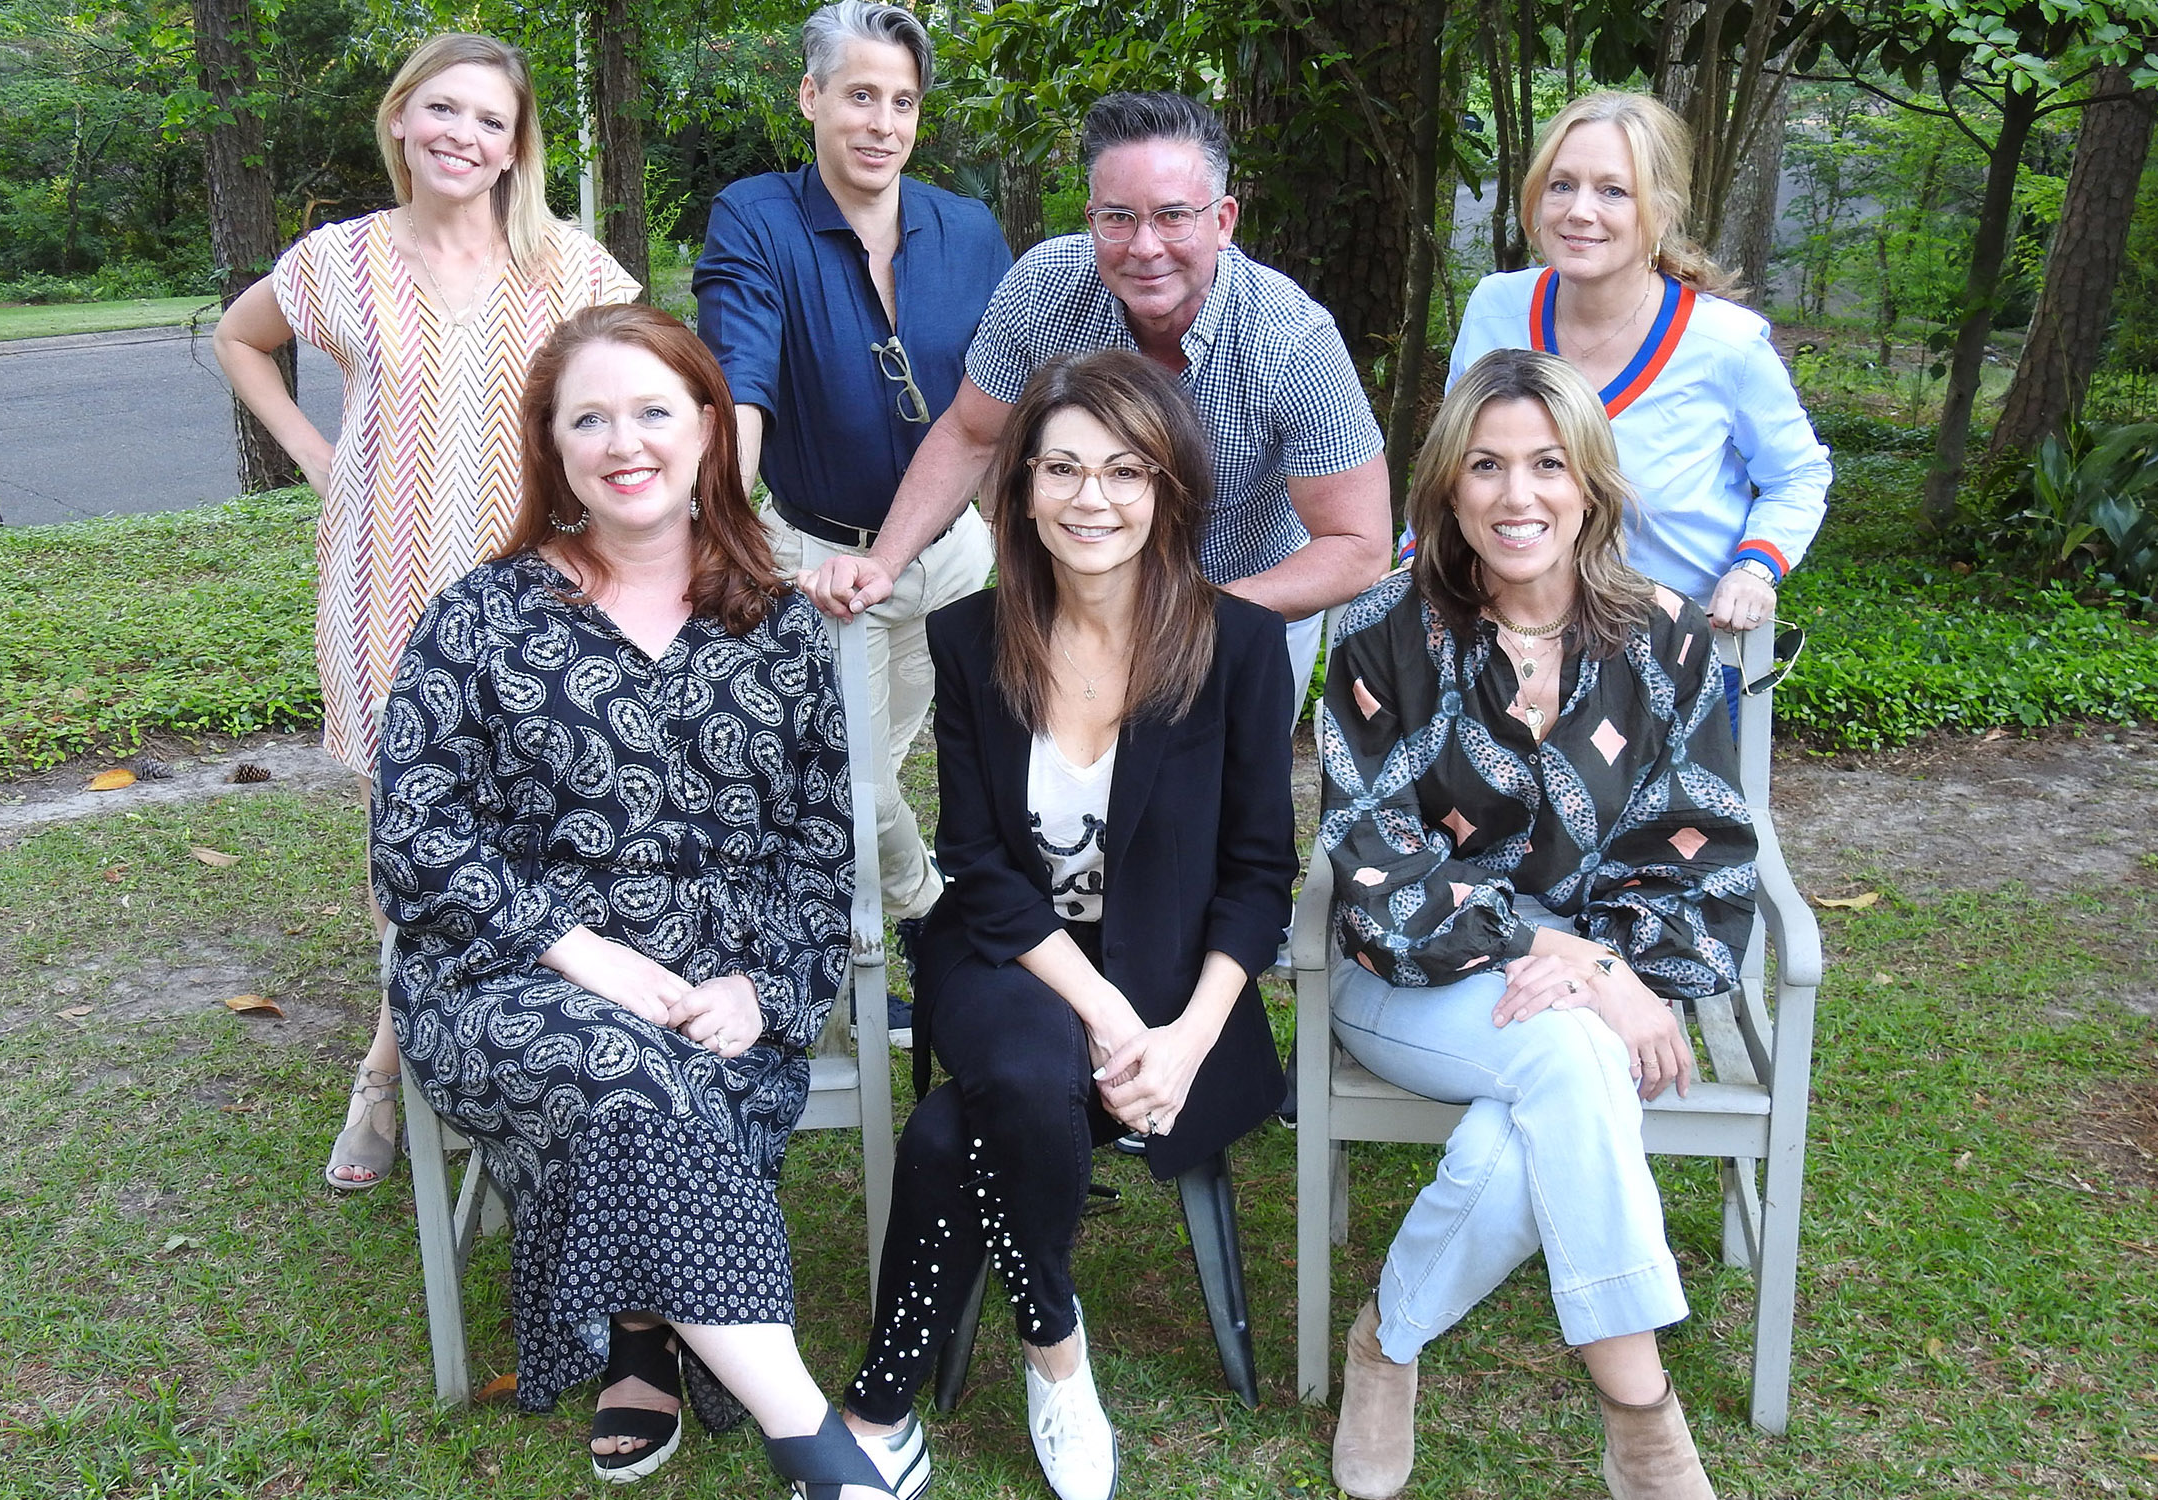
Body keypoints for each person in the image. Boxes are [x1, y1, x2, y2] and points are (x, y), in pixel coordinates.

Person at [372, 302, 892, 1498]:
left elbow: (820, 851)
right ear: (552, 446)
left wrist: (762, 992)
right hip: (509, 981)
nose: (625, 443)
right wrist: (583, 954)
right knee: (626, 1072)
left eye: (654, 411)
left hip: (719, 986)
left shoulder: (780, 626)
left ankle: (645, 1336)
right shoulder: (480, 616)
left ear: (709, 428)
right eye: (589, 419)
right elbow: (412, 838)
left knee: (662, 1078)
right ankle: (815, 1443)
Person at [833, 350, 1298, 1500]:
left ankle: (879, 1406)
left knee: (956, 1129)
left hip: (1177, 978)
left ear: (1169, 489)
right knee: (1028, 1070)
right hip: (1011, 950)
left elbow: (1258, 878)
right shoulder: (969, 638)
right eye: (1064, 470)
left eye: (1125, 471)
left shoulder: (1239, 646)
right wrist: (1104, 1017)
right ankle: (1055, 1348)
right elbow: (980, 867)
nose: (1094, 499)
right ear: (1025, 491)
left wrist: (1179, 1041)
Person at [1318, 349, 1756, 1500]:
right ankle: (1643, 1415)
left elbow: (1698, 840)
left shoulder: (1666, 641)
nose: (1519, 495)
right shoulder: (1382, 636)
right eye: (1487, 466)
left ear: (1591, 483)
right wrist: (1569, 957)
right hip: (1411, 975)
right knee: (1574, 1051)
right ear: (1448, 490)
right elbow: (1376, 864)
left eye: (1548, 465)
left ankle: (1387, 1339)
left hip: (1601, 981)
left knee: (1552, 1085)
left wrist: (1608, 965)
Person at [212, 33, 642, 1193]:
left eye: (491, 120)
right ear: (401, 119)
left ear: (515, 147)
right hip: (383, 589)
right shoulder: (338, 261)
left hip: (535, 598)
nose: (464, 135)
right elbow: (239, 338)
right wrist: (317, 454)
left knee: (535, 824)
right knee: (407, 836)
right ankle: (387, 1072)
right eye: (443, 110)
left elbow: (643, 395)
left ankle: (490, 1048)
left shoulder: (571, 272)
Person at [803, 90, 1389, 720]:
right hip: (1072, 606)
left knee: (1224, 780)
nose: (1144, 247)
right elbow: (972, 435)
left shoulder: (1292, 338)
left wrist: (1196, 612)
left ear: (1222, 221)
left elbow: (1358, 542)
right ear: (1091, 219)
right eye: (1118, 218)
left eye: (1173, 216)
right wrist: (884, 561)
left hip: (1241, 602)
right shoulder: (1044, 287)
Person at [693, 0, 1010, 1046]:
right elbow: (740, 380)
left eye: (902, 102)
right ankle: (937, 920)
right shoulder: (755, 216)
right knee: (846, 786)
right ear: (811, 96)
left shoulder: (969, 232)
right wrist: (722, 525)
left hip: (955, 559)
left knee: (903, 775)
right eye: (860, 95)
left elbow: (1007, 401)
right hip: (824, 568)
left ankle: (854, 954)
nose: (881, 123)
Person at [1446, 90, 1830, 647]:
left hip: (1679, 648)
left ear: (1661, 212)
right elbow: (1453, 464)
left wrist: (1755, 568)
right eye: (1562, 185)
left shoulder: (1726, 344)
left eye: (1613, 191)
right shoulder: (1495, 309)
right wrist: (1418, 561)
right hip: (1512, 642)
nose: (1580, 210)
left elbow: (1798, 475)